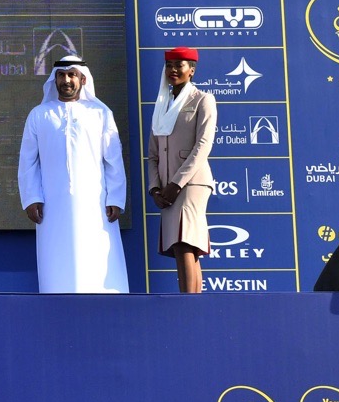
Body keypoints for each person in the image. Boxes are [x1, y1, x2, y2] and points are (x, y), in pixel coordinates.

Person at [18, 56, 129, 293]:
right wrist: (31, 198)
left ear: (83, 79)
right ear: (54, 79)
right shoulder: (39, 115)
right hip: (52, 205)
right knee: (57, 266)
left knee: (96, 260)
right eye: (61, 75)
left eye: (72, 75)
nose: (66, 80)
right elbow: (28, 162)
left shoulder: (101, 113)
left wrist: (116, 198)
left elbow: (113, 160)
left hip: (95, 203)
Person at [147, 46, 216, 294]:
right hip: (167, 187)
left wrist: (177, 183)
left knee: (185, 241)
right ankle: (193, 303)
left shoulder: (202, 100)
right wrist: (155, 188)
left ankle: (189, 305)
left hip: (192, 183)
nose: (173, 70)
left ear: (192, 70)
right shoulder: (162, 105)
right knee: (182, 246)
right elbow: (153, 154)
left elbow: (203, 145)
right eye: (169, 65)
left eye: (179, 65)